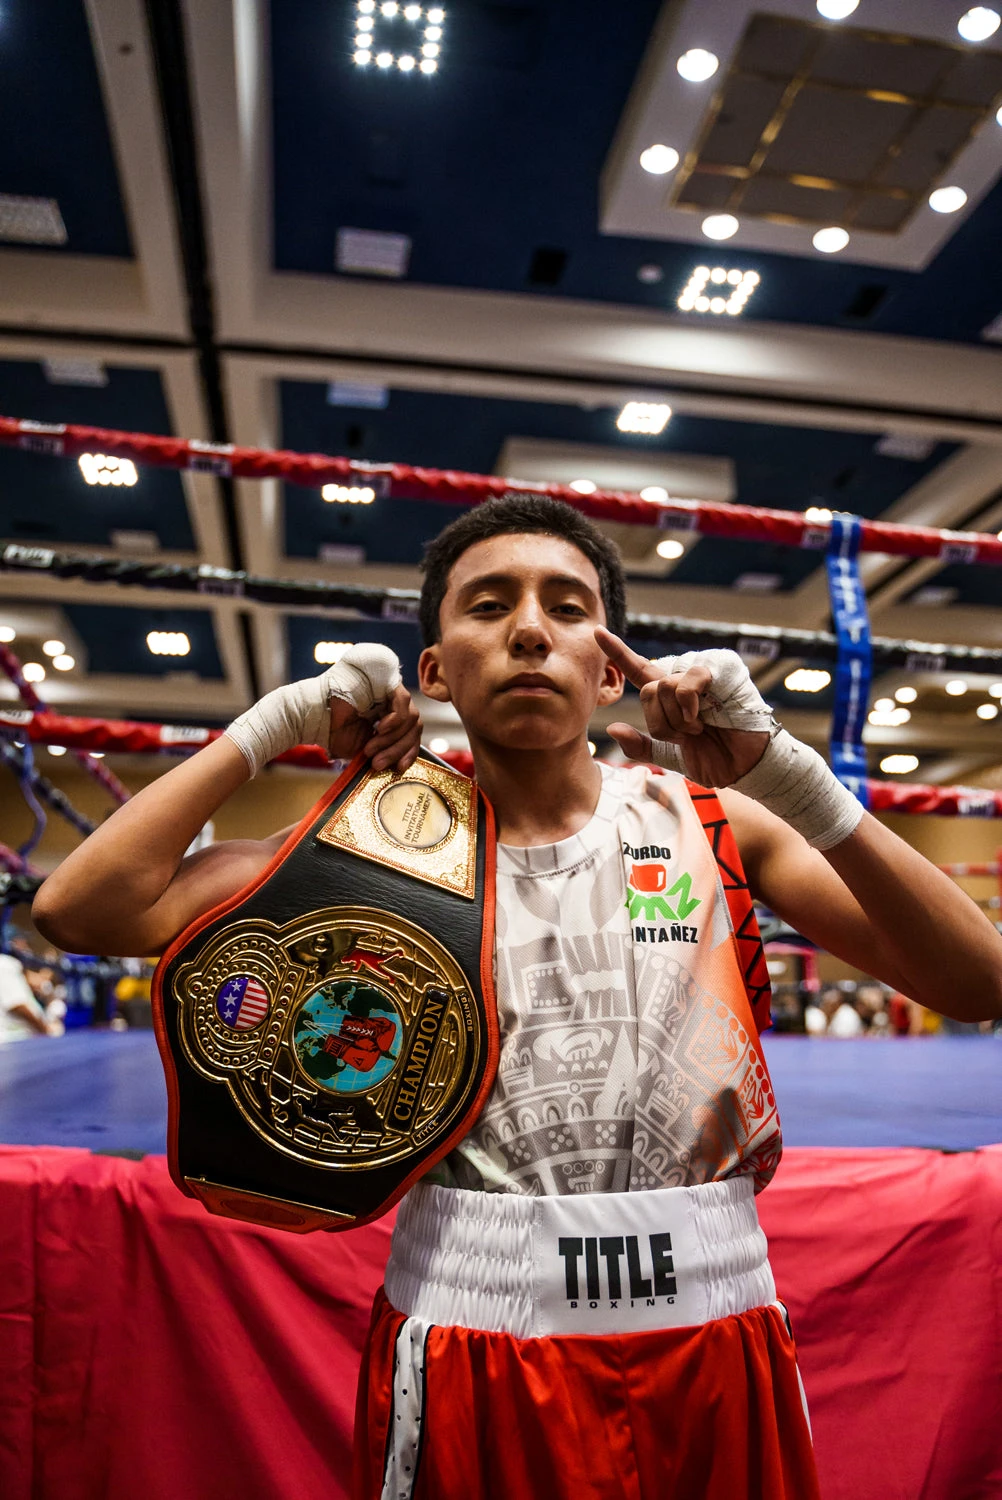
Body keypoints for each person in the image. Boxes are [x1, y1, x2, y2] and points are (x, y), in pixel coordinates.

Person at [32, 495, 1002, 1500]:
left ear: (611, 663)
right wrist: (278, 722)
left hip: (719, 1324)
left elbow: (976, 981)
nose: (531, 629)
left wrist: (788, 771)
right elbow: (82, 908)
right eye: (489, 606)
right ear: (436, 670)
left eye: (568, 608)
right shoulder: (377, 850)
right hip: (474, 1331)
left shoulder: (713, 821)